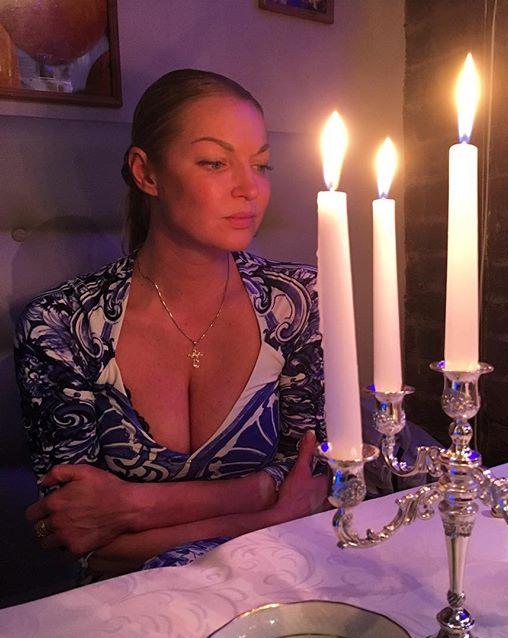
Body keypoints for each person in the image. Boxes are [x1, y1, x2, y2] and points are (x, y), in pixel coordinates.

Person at [14, 69, 328, 578]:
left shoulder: (295, 301)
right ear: (147, 173)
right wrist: (267, 507)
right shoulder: (62, 326)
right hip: (129, 603)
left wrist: (133, 506)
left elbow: (314, 476)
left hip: (277, 582)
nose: (249, 188)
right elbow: (82, 538)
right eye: (215, 162)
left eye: (261, 164)